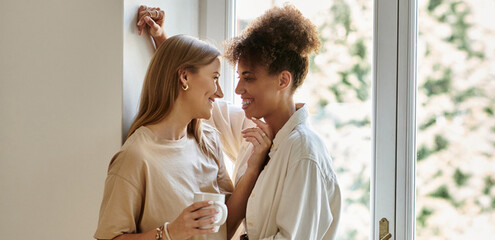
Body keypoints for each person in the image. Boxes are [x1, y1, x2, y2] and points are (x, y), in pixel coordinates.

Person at [138, 4, 342, 239]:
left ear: (283, 81)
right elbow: (199, 100)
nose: (237, 88)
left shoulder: (303, 152)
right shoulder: (255, 131)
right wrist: (163, 42)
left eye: (249, 78)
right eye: (239, 76)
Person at [94, 33, 274, 240]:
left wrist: (252, 169)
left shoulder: (208, 141)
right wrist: (170, 233)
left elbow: (224, 227)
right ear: (184, 77)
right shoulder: (135, 156)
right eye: (215, 78)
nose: (220, 92)